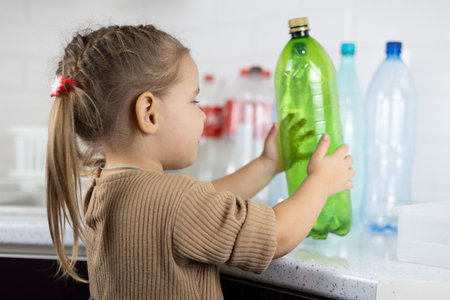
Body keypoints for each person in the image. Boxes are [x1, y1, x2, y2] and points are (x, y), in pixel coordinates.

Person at [46, 25, 354, 300]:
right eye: (194, 101)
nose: (203, 114)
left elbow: (207, 198)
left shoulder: (103, 185)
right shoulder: (175, 202)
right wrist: (321, 182)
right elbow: (279, 235)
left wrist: (267, 164)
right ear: (149, 113)